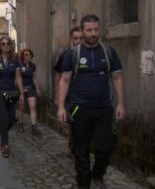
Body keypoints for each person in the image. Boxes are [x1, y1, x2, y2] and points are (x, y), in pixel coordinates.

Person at [57, 14, 125, 189]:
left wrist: (121, 103)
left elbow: (117, 78)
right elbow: (64, 80)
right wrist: (61, 107)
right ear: (82, 31)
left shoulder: (109, 52)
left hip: (103, 109)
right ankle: (84, 184)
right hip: (79, 110)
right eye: (89, 30)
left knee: (105, 148)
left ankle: (98, 174)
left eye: (96, 29)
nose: (93, 33)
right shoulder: (72, 55)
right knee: (81, 153)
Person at [0, 36, 24, 158]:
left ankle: (4, 133)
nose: (6, 45)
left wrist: (22, 93)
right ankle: (5, 144)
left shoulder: (15, 60)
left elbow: (18, 77)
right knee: (4, 117)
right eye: (3, 44)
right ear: (0, 46)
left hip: (11, 93)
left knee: (11, 119)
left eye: (8, 43)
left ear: (11, 45)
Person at [54, 26, 83, 156]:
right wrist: (58, 96)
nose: (78, 41)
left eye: (81, 38)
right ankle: (74, 147)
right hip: (71, 97)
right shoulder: (67, 55)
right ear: (72, 40)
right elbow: (58, 76)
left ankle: (76, 146)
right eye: (76, 38)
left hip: (87, 97)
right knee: (75, 123)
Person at [17, 48, 42, 136]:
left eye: (29, 54)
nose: (28, 56)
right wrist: (21, 90)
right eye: (26, 54)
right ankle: (20, 124)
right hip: (22, 89)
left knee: (33, 106)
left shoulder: (33, 65)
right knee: (21, 107)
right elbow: (17, 78)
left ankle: (33, 126)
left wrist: (37, 88)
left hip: (31, 88)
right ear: (23, 56)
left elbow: (34, 78)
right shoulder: (19, 65)